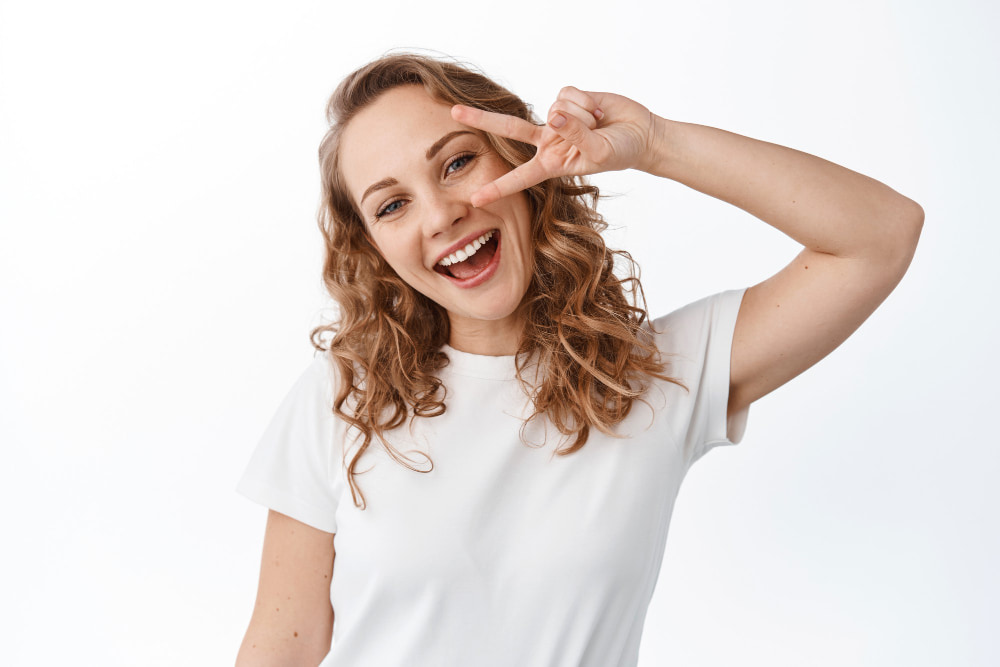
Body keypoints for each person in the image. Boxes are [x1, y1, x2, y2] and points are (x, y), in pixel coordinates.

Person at [234, 53, 923, 666]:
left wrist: (656, 143)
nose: (440, 214)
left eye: (457, 162)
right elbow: (281, 648)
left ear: (519, 157)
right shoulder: (342, 397)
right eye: (392, 205)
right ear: (373, 247)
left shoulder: (656, 376)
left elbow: (880, 235)